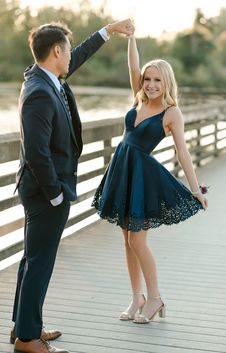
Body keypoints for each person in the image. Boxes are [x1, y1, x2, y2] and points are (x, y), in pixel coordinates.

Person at [11, 19, 134, 353]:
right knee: (40, 262)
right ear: (55, 51)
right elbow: (37, 153)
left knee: (31, 259)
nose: (70, 58)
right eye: (66, 51)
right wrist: (55, 194)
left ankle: (23, 326)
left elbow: (76, 58)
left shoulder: (44, 77)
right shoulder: (38, 91)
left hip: (44, 189)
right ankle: (27, 339)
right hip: (44, 192)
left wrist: (107, 32)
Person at [92, 33, 208, 324]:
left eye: (157, 81)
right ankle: (137, 298)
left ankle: (155, 297)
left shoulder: (172, 112)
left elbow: (182, 152)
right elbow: (134, 67)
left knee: (138, 242)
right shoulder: (138, 99)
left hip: (142, 174)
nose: (151, 85)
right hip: (121, 171)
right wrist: (130, 38)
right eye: (148, 80)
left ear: (167, 83)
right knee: (127, 241)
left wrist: (196, 190)